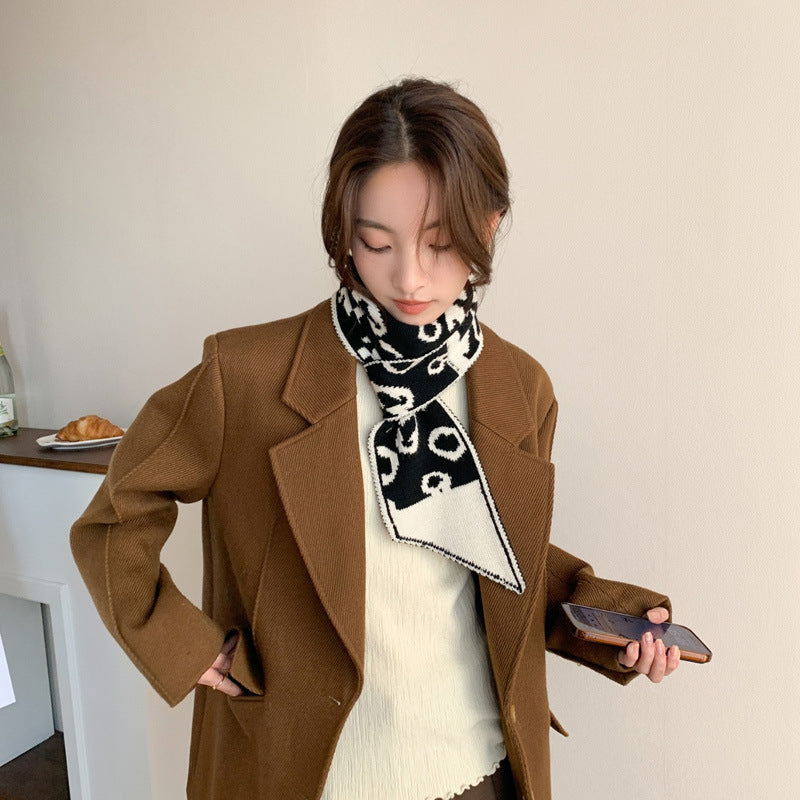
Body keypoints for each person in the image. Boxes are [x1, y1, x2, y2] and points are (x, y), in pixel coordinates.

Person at [70, 78, 680, 800]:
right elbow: (115, 518)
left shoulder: (521, 387)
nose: (409, 277)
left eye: (440, 243)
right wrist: (182, 644)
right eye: (376, 242)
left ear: (489, 226)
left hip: (480, 770)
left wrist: (611, 618)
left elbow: (490, 553)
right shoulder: (247, 377)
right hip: (309, 776)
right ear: (343, 231)